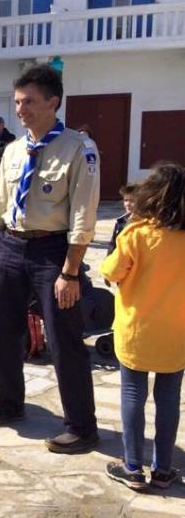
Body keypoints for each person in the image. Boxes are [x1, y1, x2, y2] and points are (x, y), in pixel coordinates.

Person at [0, 65, 100, 454]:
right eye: (17, 102)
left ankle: (82, 426)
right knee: (1, 331)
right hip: (10, 248)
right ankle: (10, 404)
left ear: (53, 102)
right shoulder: (14, 150)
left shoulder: (79, 148)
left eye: (28, 102)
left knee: (64, 340)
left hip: (52, 252)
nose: (20, 110)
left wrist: (71, 272)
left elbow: (83, 216)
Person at [100, 164, 185, 490]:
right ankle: (163, 470)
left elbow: (111, 271)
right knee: (169, 399)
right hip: (176, 333)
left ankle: (133, 467)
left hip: (137, 330)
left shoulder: (136, 234)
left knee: (133, 394)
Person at [108, 184, 136, 256]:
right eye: (126, 200)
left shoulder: (144, 223)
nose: (128, 204)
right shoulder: (120, 222)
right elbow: (113, 244)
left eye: (132, 201)